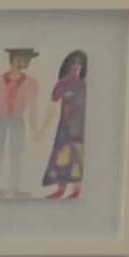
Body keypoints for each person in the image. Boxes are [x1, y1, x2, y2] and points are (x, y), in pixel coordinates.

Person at [0, 44, 45, 200]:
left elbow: (33, 108)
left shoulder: (32, 83)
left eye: (28, 59)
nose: (27, 62)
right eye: (24, 58)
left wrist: (35, 128)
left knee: (16, 155)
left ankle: (14, 188)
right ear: (14, 59)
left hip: (17, 121)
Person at [40, 48, 92, 200]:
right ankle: (60, 189)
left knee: (77, 159)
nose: (76, 66)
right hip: (64, 128)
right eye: (73, 63)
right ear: (67, 66)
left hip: (80, 129)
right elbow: (52, 106)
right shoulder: (62, 84)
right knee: (60, 158)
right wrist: (43, 128)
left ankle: (76, 190)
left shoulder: (85, 85)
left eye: (79, 64)